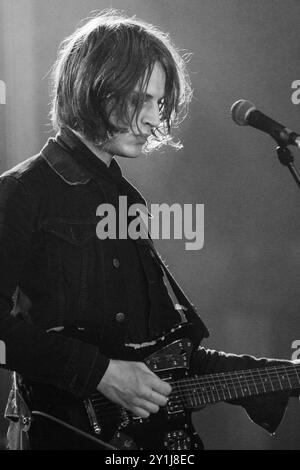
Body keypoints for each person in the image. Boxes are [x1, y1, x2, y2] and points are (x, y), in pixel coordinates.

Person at [0, 10, 299, 450]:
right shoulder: (23, 191)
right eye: (141, 99)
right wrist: (99, 372)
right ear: (93, 88)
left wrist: (283, 375)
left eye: (159, 103)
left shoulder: (128, 200)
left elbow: (168, 353)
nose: (153, 119)